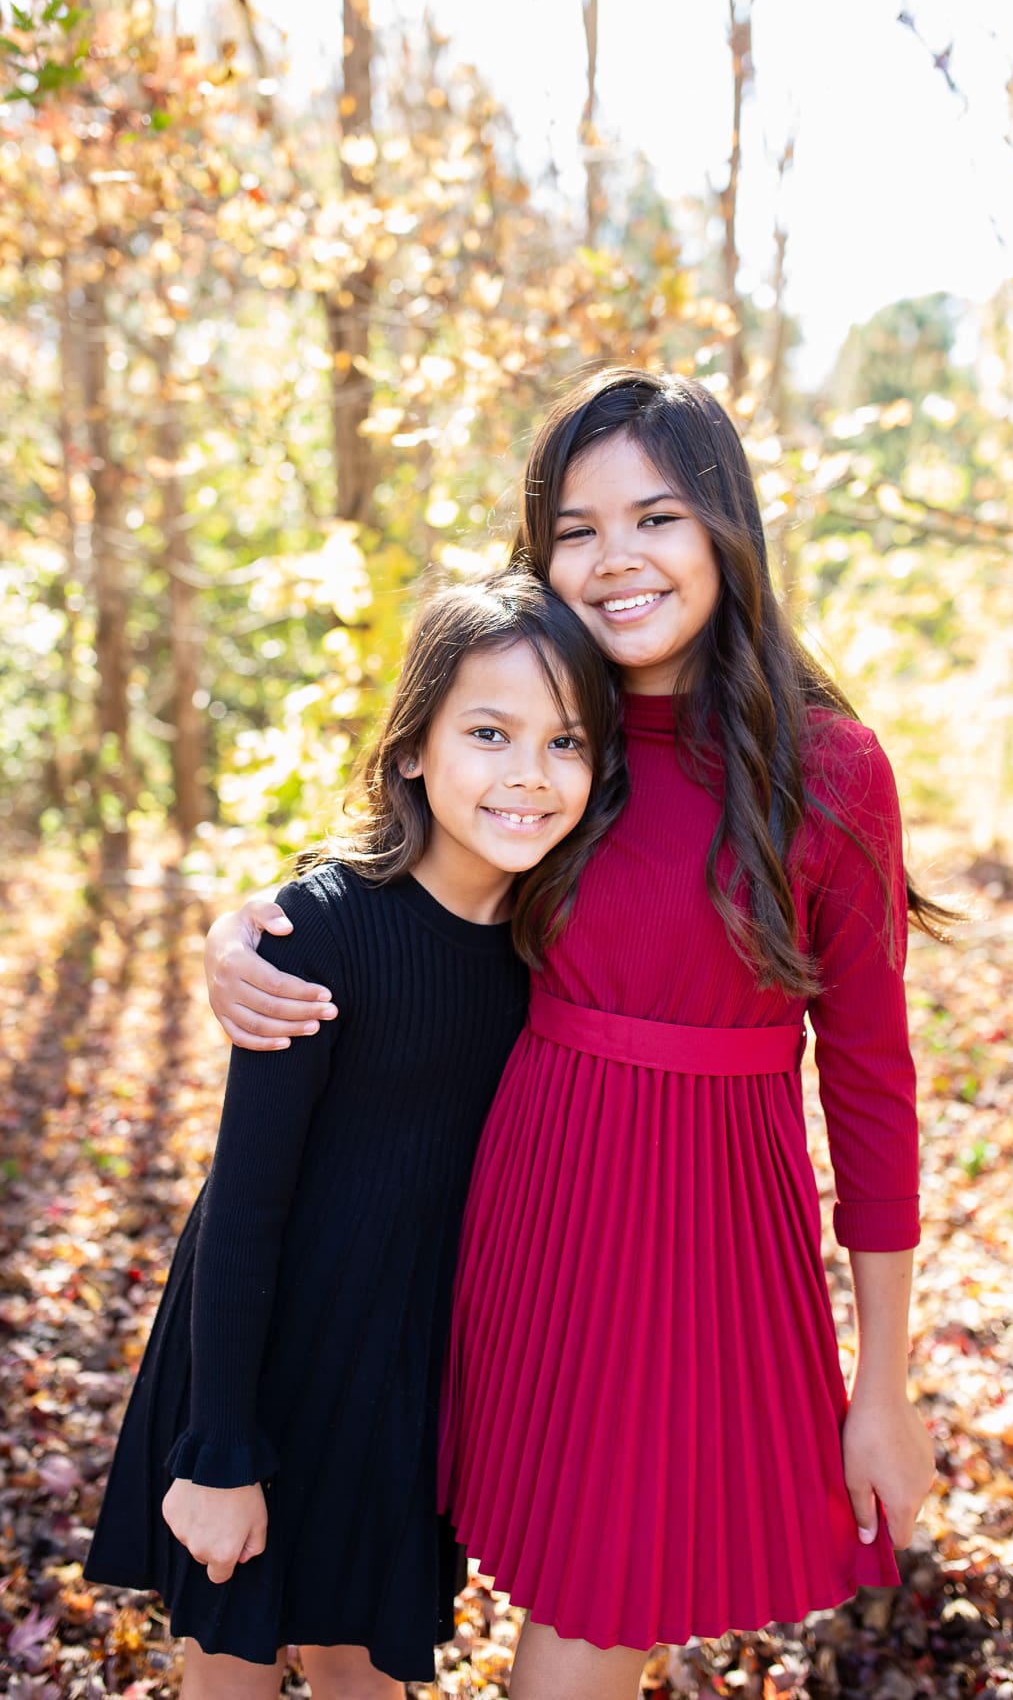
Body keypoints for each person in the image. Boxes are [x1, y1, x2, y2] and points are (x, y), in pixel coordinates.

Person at [204, 369, 943, 1700]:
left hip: (701, 1237)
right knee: (372, 1542)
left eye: (655, 517)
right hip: (510, 1209)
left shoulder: (829, 767)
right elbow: (403, 874)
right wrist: (251, 927)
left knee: (600, 1603)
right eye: (577, 528)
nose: (617, 561)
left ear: (726, 527)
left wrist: (882, 1383)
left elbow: (877, 1084)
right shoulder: (554, 735)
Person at [83, 572, 626, 1700]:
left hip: (397, 1375)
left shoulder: (553, 953)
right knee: (229, 1669)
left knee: (360, 1669)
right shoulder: (318, 934)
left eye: (565, 741)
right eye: (489, 733)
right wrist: (220, 1450)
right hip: (261, 1355)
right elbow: (244, 1210)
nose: (528, 774)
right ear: (415, 749)